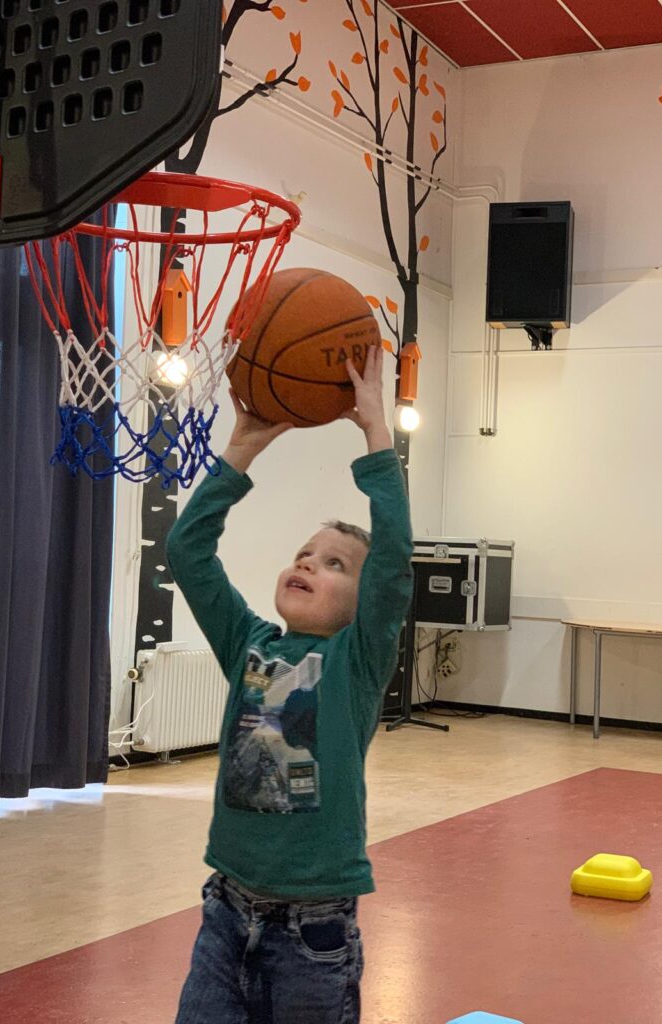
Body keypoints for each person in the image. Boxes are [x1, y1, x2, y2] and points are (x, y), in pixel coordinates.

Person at [166, 345, 413, 1024]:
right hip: (225, 914)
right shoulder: (248, 644)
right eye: (304, 553)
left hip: (314, 932)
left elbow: (394, 562)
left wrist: (375, 433)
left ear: (365, 602)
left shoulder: (356, 662)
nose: (307, 562)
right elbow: (186, 551)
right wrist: (238, 452)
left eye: (334, 563)